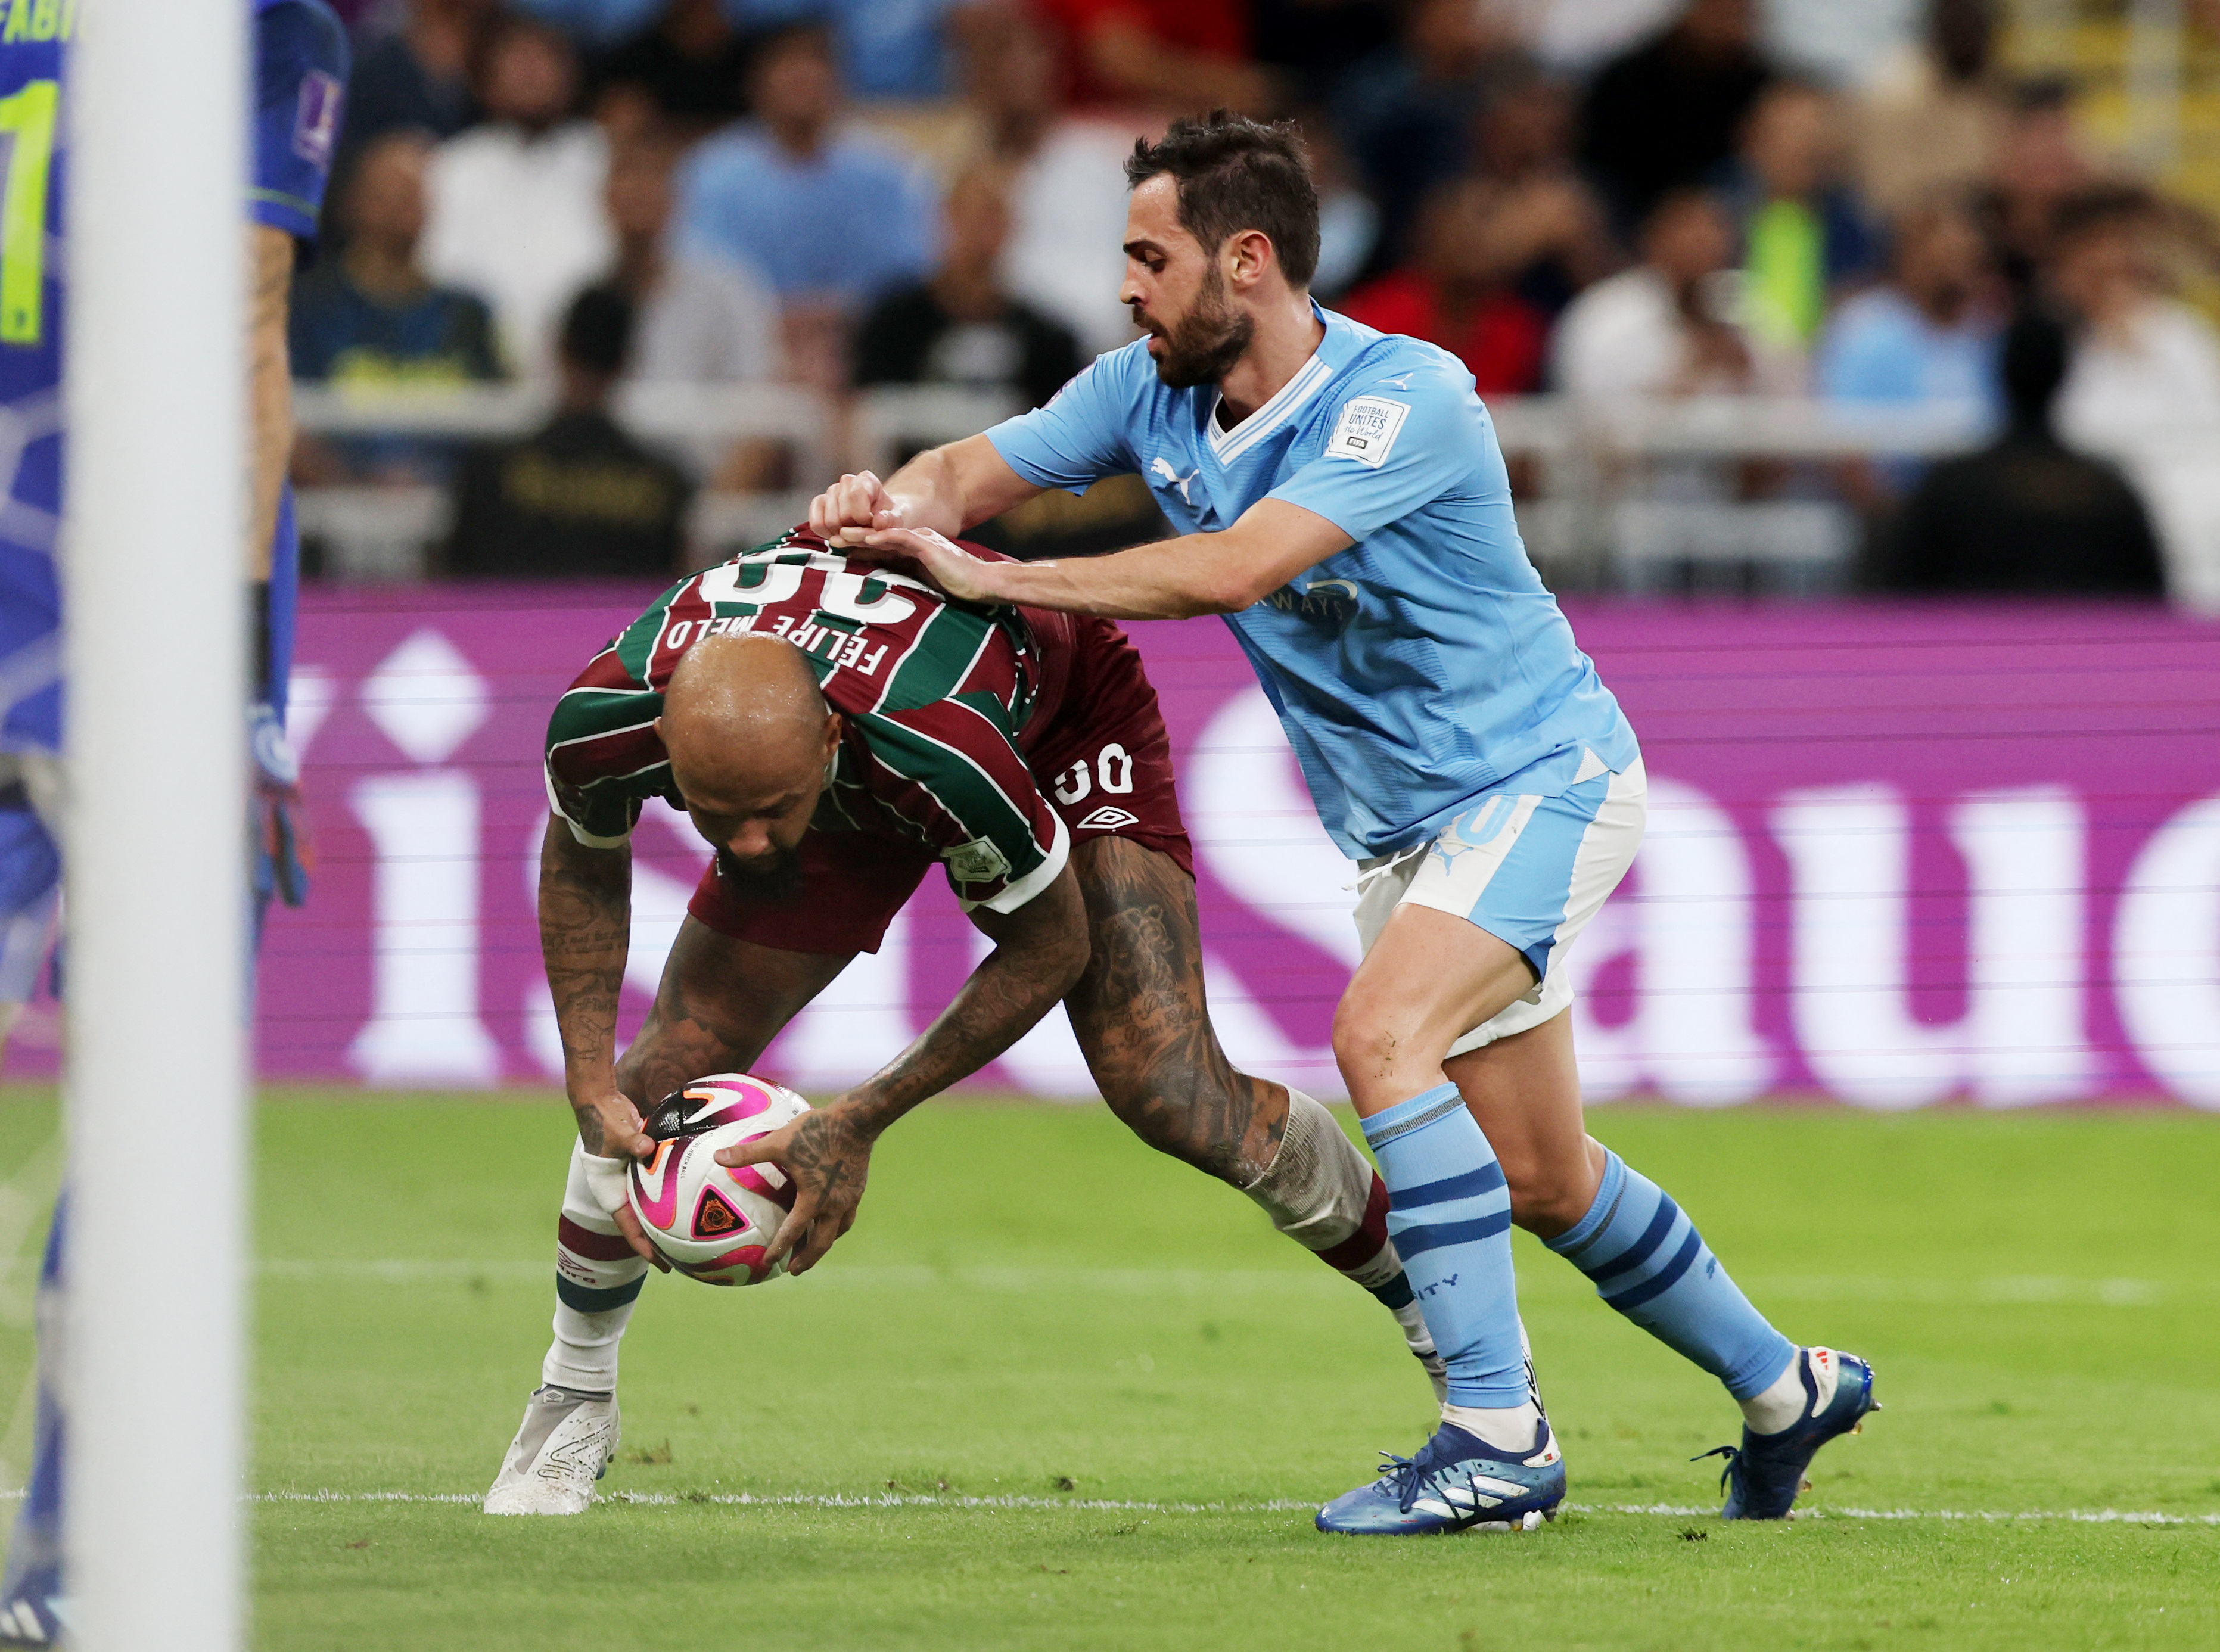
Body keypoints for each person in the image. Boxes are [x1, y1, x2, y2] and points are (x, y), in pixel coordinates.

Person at [810, 111, 1875, 1533]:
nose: (1125, 286)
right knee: (1545, 1179)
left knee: (1379, 1038)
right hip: (1402, 834)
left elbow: (1236, 567)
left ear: (1244, 261)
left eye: (1149, 255)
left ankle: (1494, 1437)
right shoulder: (1146, 390)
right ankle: (1780, 1385)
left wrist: (1002, 583)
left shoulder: (1403, 400)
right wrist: (889, 501)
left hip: (1540, 779)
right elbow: (973, 471)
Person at [484, 531, 1454, 1513]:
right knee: (653, 1081)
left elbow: (1051, 944)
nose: (747, 843)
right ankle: (573, 1397)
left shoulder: (939, 746)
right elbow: (581, 858)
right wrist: (586, 1075)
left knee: (1170, 1087)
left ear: (825, 738)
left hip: (1052, 713)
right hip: (854, 747)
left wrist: (859, 1117)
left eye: (770, 811)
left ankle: (1452, 1331)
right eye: (711, 813)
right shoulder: (604, 719)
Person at [0, 2, 349, 1639]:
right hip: (129, 652)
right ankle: (71, 1559)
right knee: (147, 1129)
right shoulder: (264, 33)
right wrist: (238, 683)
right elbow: (242, 325)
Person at [1880, 308, 2163, 595]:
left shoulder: (1948, 489)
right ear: (2065, 374)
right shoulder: (2111, 492)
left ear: (2000, 370)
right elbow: (2154, 604)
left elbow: (1896, 596)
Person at [674, 23, 936, 316]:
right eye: (787, 64)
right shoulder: (713, 172)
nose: (803, 76)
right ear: (755, 82)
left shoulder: (887, 167)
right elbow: (701, 269)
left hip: (867, 337)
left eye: (816, 61)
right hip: (747, 335)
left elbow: (911, 268)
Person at [288, 129, 504, 481]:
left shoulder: (467, 314)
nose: (406, 201)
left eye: (418, 190)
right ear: (354, 200)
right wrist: (362, 484)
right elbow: (283, 424)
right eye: (391, 188)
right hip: (335, 517)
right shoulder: (309, 310)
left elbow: (503, 422)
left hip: (449, 514)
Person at [444, 287, 694, 577]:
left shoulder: (489, 474)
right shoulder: (665, 485)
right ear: (626, 361)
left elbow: (456, 581)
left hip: (513, 622)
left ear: (559, 347)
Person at [421, 14, 614, 375]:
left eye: (543, 62)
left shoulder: (602, 158)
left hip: (584, 371)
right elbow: (439, 270)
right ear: (486, 81)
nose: (531, 75)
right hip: (476, 368)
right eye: (517, 62)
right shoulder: (452, 166)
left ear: (570, 75)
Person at [853, 162, 1084, 410]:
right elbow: (866, 409)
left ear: (1012, 227)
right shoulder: (893, 324)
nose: (978, 232)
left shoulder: (1049, 342)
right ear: (942, 220)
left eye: (992, 217)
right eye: (967, 216)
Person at [598, 131, 782, 388]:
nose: (638, 189)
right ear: (604, 198)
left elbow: (755, 384)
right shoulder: (579, 292)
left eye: (652, 177)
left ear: (677, 198)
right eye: (626, 176)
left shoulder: (729, 289)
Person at [1577, 0, 1773, 235]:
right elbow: (1600, 178)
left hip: (1734, 228)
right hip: (1632, 229)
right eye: (1719, 8)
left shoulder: (1765, 91)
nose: (1728, 19)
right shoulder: (1625, 84)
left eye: (1740, 10)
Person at [1714, 79, 1879, 354]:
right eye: (1789, 135)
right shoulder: (1716, 214)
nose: (1803, 149)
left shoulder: (1855, 229)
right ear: (1753, 141)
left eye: (1814, 137)